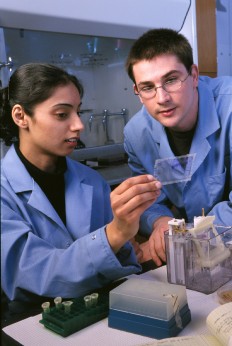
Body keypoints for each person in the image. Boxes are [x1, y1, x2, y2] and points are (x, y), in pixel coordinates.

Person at [0, 63, 162, 324]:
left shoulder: (92, 181)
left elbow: (122, 261)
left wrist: (128, 241)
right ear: (20, 116)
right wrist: (115, 234)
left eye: (78, 112)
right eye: (62, 114)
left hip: (98, 312)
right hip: (31, 321)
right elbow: (37, 275)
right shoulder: (3, 191)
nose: (78, 125)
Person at [124, 28, 232, 266]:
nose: (161, 98)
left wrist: (186, 236)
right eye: (148, 87)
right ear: (138, 93)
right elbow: (148, 200)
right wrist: (159, 221)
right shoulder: (136, 134)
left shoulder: (230, 105)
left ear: (193, 75)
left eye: (171, 80)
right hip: (200, 256)